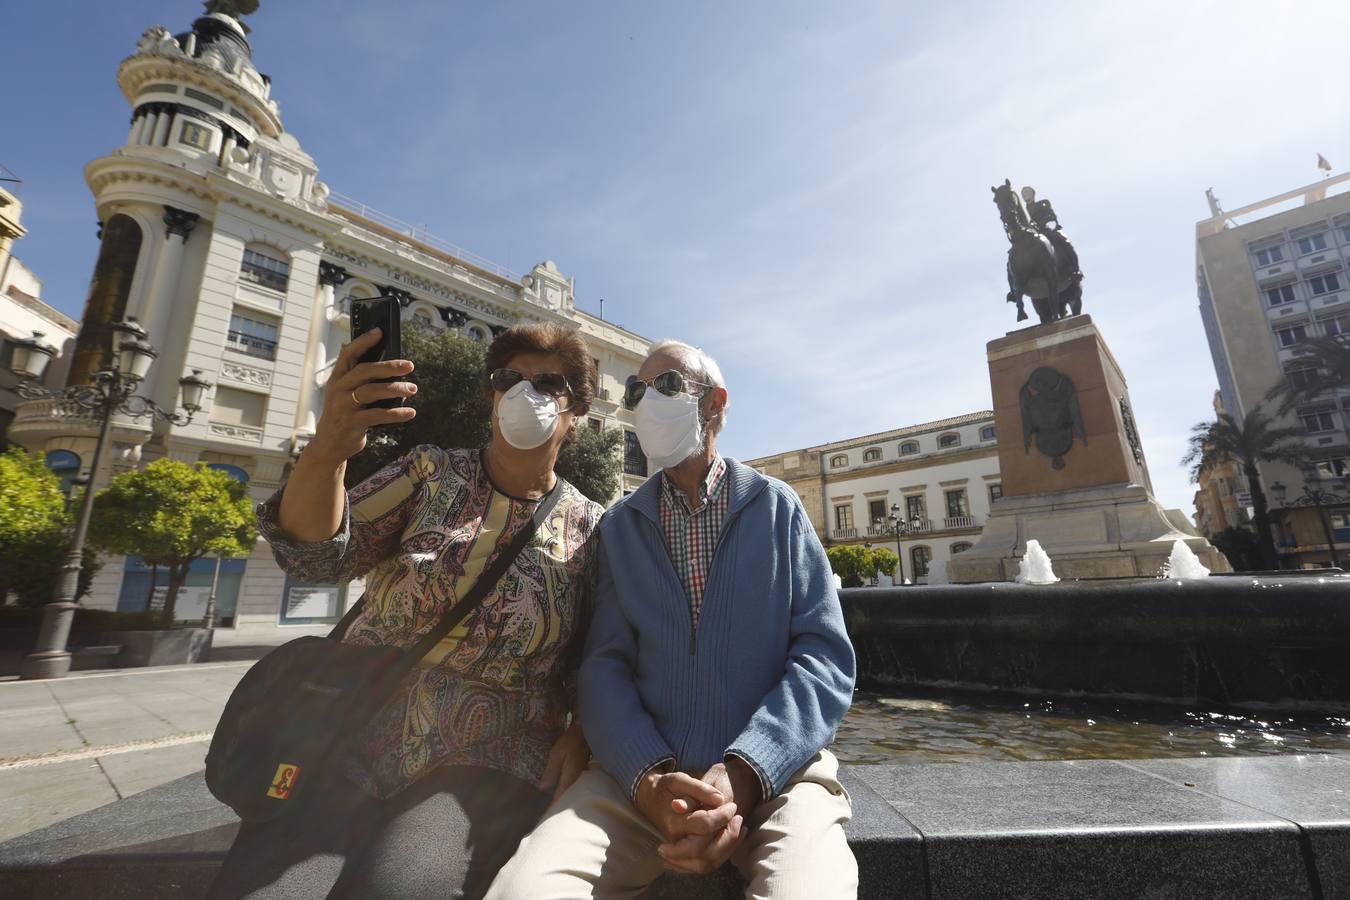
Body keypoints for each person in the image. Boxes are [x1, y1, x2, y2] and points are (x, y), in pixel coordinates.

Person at [208, 323, 605, 900]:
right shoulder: (429, 473)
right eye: (509, 379)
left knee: (400, 887)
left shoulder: (595, 528)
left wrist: (585, 732)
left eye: (549, 383)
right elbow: (315, 556)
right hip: (349, 731)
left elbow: (603, 646)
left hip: (492, 749)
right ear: (491, 397)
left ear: (576, 416)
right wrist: (329, 450)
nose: (526, 393)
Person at [489, 340, 858, 899]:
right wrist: (649, 779)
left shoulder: (777, 508)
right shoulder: (620, 527)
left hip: (781, 779)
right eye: (637, 390)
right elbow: (605, 665)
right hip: (636, 785)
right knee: (525, 890)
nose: (644, 403)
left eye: (666, 386)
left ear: (714, 404)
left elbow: (824, 657)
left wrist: (747, 769)